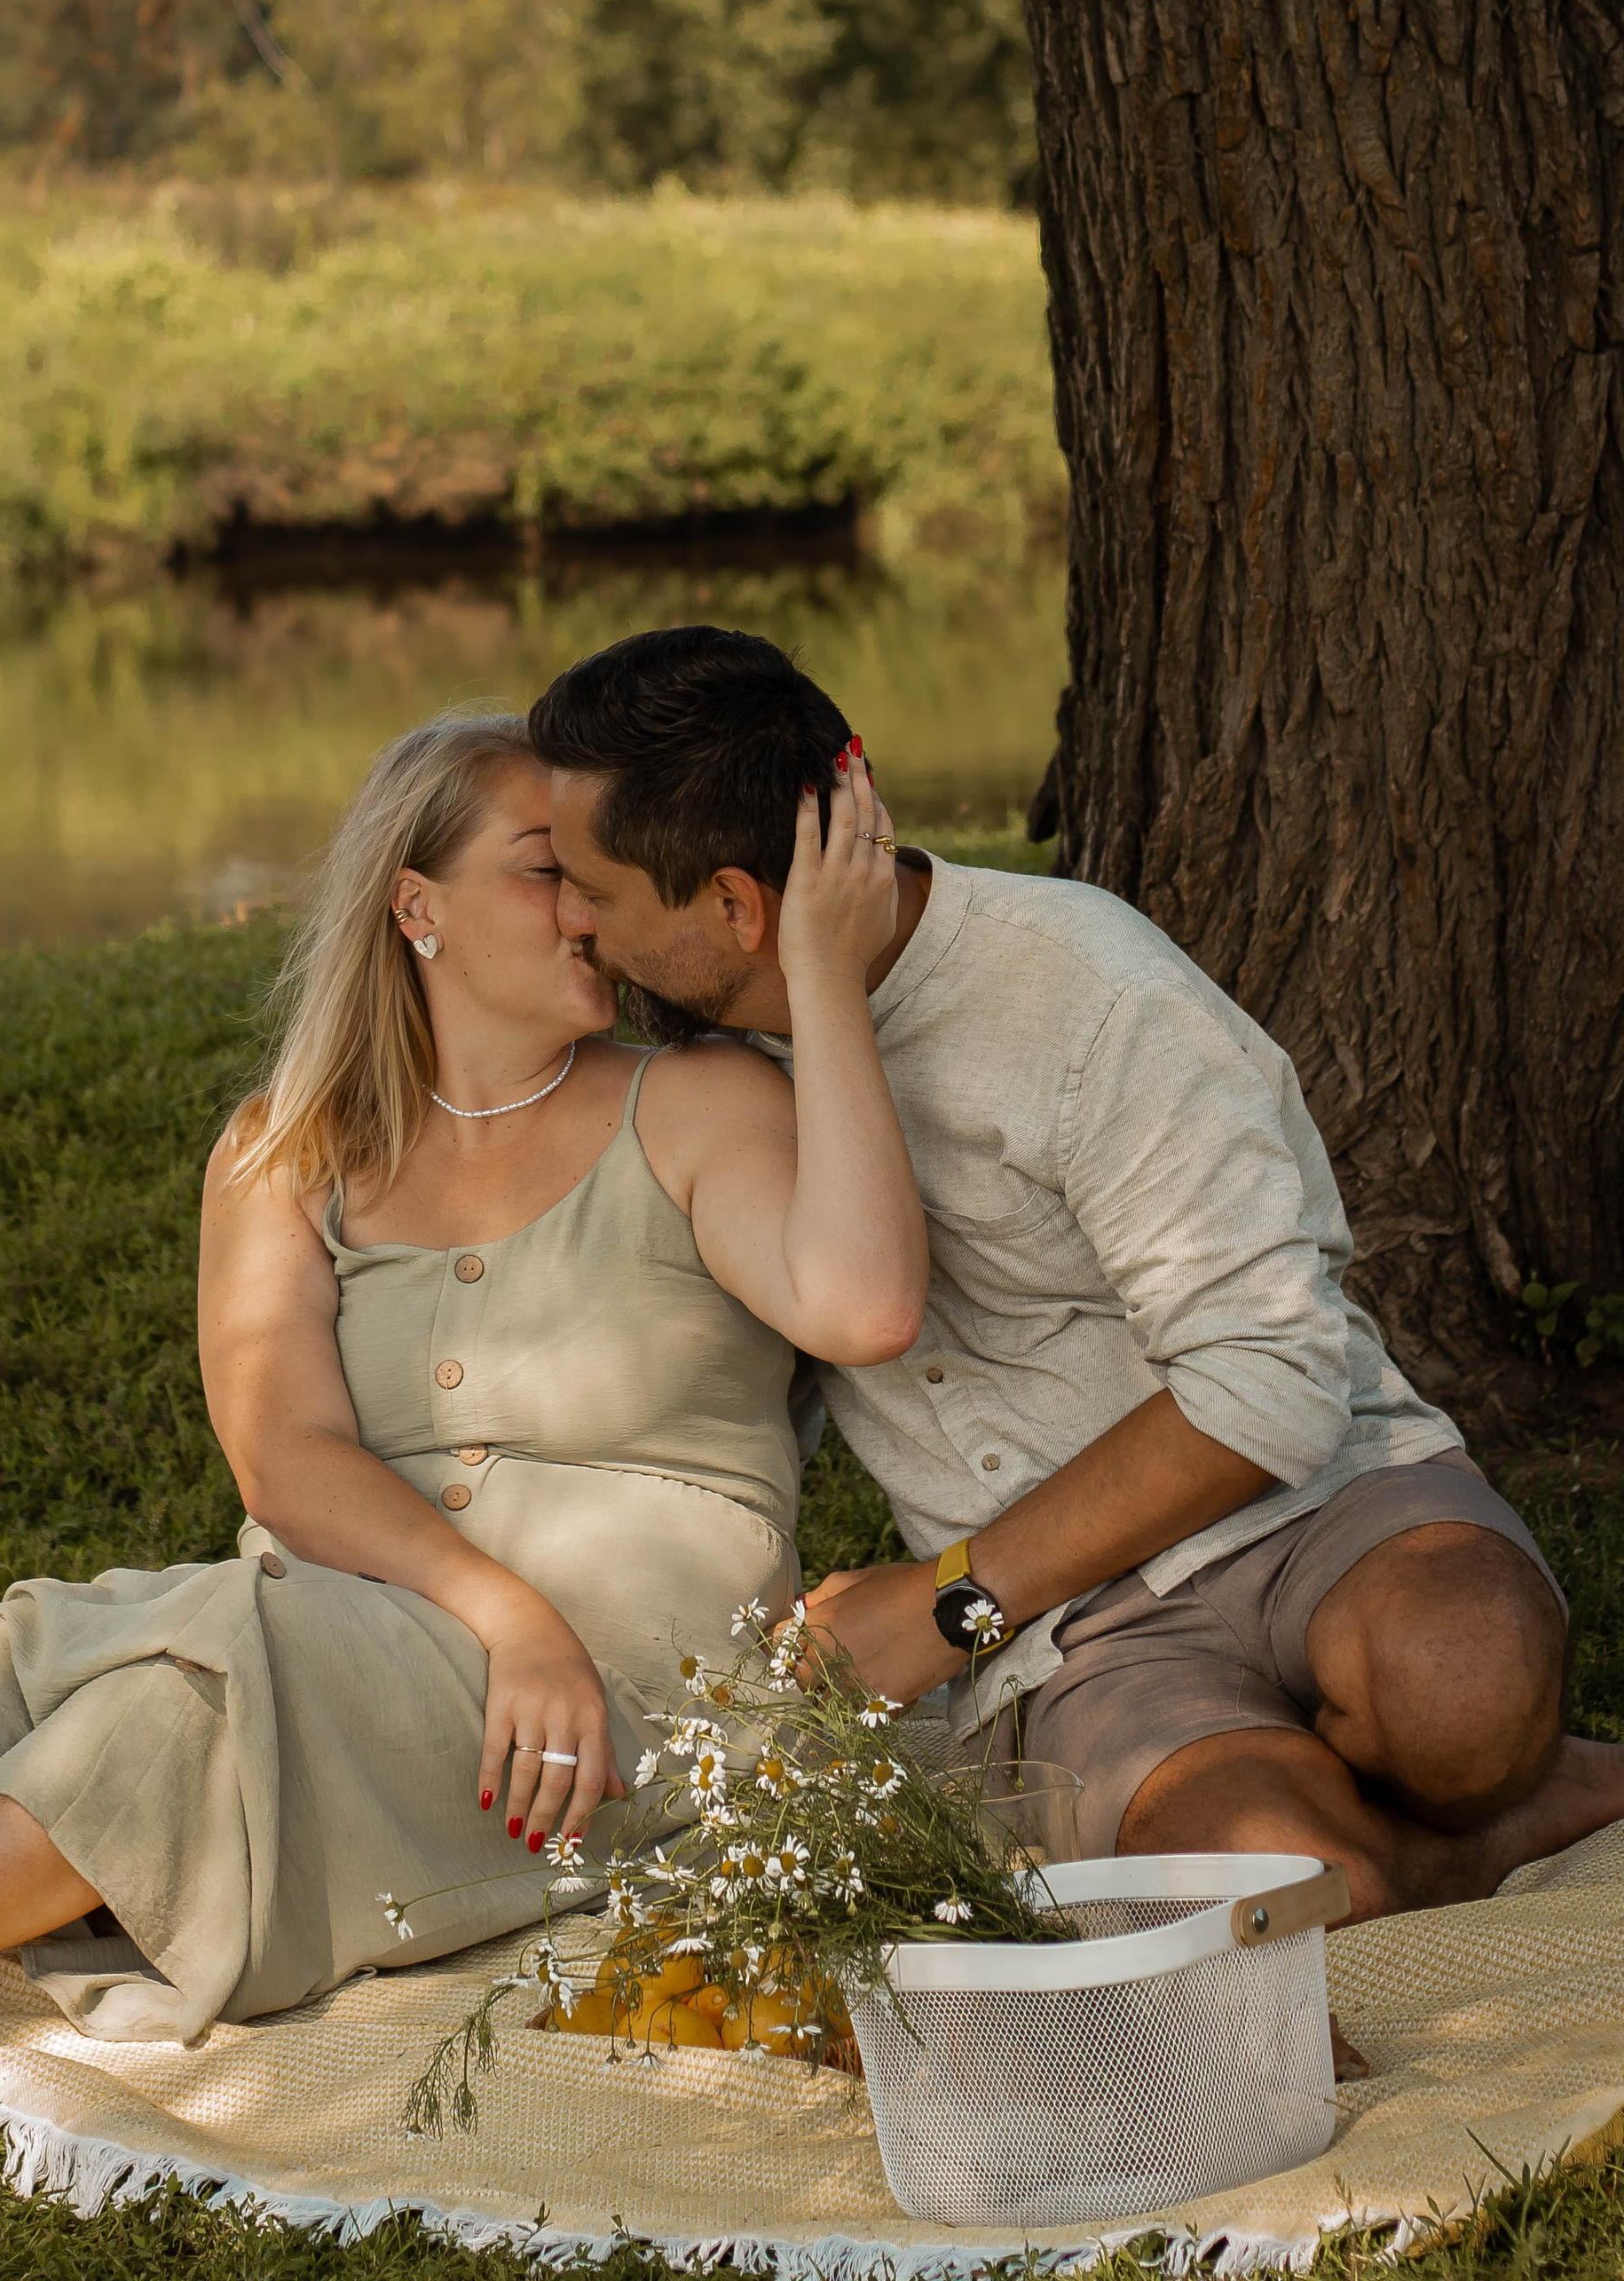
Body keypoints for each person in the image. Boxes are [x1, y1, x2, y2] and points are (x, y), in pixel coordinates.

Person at [0, 712, 926, 2110]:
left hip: (614, 1707)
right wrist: (494, 1608)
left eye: (596, 874)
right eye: (549, 874)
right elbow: (288, 1455)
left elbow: (861, 1307)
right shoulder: (291, 1150)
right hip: (383, 1637)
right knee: (58, 1639)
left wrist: (823, 987)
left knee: (203, 1649)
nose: (595, 906)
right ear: (419, 908)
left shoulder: (699, 1103)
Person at [531, 625, 1624, 1922]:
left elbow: (1269, 1382)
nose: (569, 923)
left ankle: (1470, 1784)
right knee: (1282, 1869)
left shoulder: (1086, 991)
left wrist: (942, 1610)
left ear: (733, 905)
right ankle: (1469, 1828)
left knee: (1464, 1686)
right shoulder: (703, 1097)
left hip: (1318, 1508)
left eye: (588, 889)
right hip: (1089, 1644)